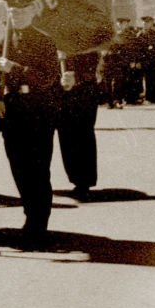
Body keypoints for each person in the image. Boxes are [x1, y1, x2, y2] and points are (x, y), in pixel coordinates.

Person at [0, 0, 62, 245]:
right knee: (19, 167)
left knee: (38, 168)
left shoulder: (45, 41)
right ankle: (31, 213)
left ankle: (38, 221)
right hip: (12, 111)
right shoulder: (1, 42)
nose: (17, 16)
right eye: (13, 12)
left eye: (22, 11)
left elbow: (47, 78)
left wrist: (15, 68)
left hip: (39, 111)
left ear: (32, 11)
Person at [59, 49, 102, 199]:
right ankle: (75, 177)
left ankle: (84, 182)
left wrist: (76, 76)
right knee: (65, 136)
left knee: (82, 135)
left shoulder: (86, 37)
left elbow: (94, 67)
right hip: (61, 94)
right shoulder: (53, 36)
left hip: (84, 93)